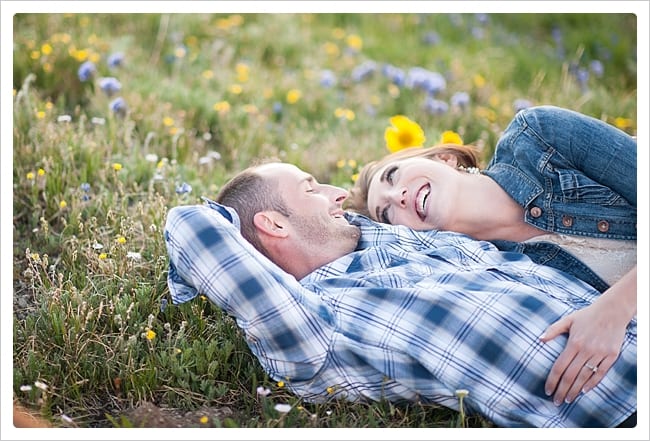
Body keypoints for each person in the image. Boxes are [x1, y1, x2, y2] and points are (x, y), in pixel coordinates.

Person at [164, 161, 636, 428]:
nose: (337, 195)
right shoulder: (316, 324)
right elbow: (190, 227)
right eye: (311, 188)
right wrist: (234, 217)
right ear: (273, 224)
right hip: (622, 403)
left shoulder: (384, 238)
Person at [346, 105, 637, 406]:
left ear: (444, 159)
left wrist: (614, 308)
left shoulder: (539, 137)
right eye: (387, 213)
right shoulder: (498, 274)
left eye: (393, 177)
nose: (398, 197)